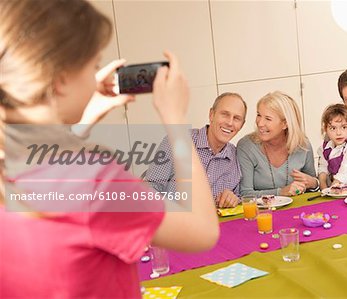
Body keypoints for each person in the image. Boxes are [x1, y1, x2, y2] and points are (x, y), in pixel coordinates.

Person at [0, 1, 219, 298]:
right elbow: (202, 230)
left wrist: (84, 114)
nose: (94, 80)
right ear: (62, 79)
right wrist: (176, 120)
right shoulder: (93, 180)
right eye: (92, 67)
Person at [146, 92, 247, 208]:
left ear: (242, 125)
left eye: (237, 118)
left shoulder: (235, 157)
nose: (230, 122)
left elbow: (237, 197)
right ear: (211, 115)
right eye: (224, 114)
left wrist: (232, 199)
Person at [237, 91, 319, 197]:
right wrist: (280, 193)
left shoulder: (303, 145)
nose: (260, 123)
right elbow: (244, 194)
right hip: (262, 212)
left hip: (296, 210)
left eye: (268, 119)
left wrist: (313, 183)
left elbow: (313, 190)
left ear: (285, 124)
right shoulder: (246, 146)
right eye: (259, 115)